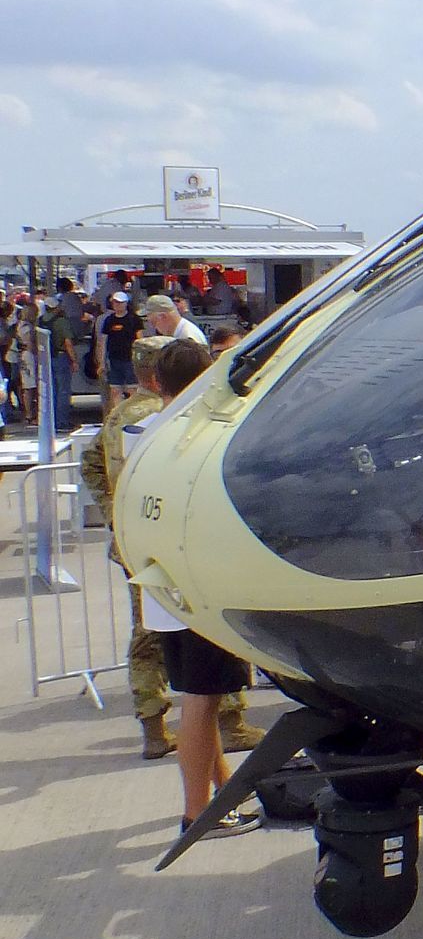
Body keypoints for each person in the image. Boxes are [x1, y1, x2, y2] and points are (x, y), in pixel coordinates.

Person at [126, 340, 260, 838]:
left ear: (157, 382)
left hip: (162, 586)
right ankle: (198, 814)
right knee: (202, 704)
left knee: (199, 698)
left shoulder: (143, 431)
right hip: (197, 589)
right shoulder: (195, 436)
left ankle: (224, 791)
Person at [96, 291, 140, 419]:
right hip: (114, 360)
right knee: (115, 390)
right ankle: (118, 418)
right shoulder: (109, 320)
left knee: (132, 390)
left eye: (120, 302)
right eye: (115, 302)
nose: (118, 305)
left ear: (126, 303)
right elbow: (103, 342)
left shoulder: (134, 319)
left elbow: (139, 339)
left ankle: (133, 417)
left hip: (129, 359)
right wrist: (102, 363)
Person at [43, 295, 78, 431]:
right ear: (56, 307)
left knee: (52, 391)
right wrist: (74, 360)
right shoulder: (61, 321)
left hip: (46, 358)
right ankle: (62, 422)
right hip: (61, 357)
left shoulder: (41, 321)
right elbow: (68, 342)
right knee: (63, 390)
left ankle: (52, 421)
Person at [142, 294, 207, 346]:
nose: (153, 327)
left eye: (153, 322)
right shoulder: (181, 331)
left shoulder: (187, 338)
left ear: (162, 316)